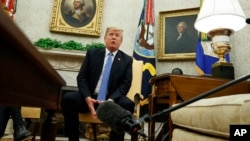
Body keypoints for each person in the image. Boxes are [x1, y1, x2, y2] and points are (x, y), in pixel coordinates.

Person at [61, 27, 135, 141]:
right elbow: (82, 77)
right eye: (111, 34)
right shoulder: (93, 54)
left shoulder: (126, 60)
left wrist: (111, 100)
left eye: (117, 35)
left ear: (121, 41)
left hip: (111, 101)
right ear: (105, 38)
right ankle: (73, 138)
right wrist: (87, 97)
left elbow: (126, 84)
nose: (114, 37)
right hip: (90, 98)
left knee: (128, 104)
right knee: (68, 98)